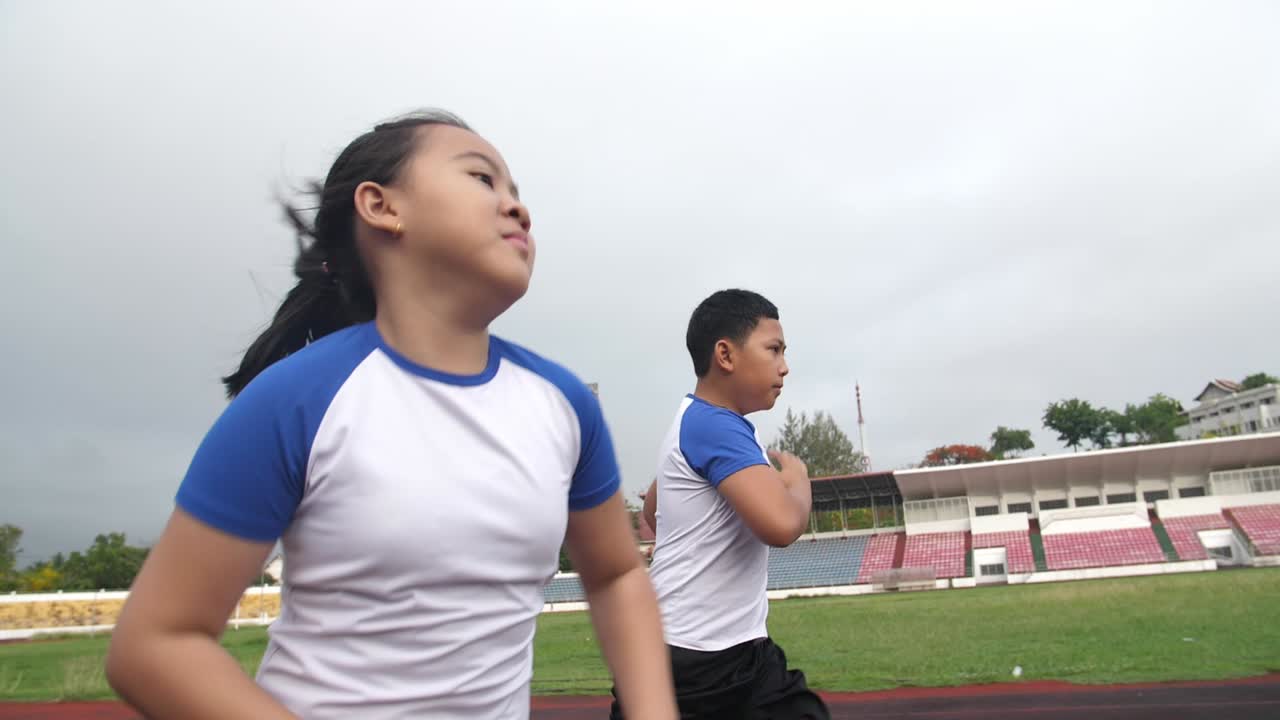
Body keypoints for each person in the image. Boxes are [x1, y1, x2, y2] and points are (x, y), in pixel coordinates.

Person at [106, 110, 676, 720]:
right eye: (483, 179)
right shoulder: (296, 400)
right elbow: (155, 645)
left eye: (518, 193)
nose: (518, 208)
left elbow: (617, 576)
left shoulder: (565, 405)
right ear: (381, 206)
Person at [612, 289, 830, 719]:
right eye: (774, 350)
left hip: (710, 651)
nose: (784, 366)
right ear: (725, 355)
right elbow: (782, 525)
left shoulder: (693, 419)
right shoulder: (716, 425)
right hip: (700, 662)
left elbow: (653, 510)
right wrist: (798, 481)